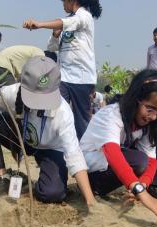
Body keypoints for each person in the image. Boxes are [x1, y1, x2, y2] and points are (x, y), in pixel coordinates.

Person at [0, 56, 96, 206]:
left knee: (53, 193)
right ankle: (4, 178)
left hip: (51, 150)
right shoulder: (11, 93)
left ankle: (29, 184)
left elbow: (75, 157)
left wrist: (90, 200)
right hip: (21, 137)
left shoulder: (63, 113)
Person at [80, 69, 157, 224]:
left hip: (110, 167)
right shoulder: (111, 115)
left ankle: (154, 187)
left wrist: (143, 186)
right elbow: (113, 154)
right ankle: (95, 189)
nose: (152, 117)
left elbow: (152, 161)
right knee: (138, 160)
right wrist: (141, 192)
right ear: (135, 99)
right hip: (90, 171)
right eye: (149, 109)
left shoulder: (146, 123)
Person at [23, 0, 103, 139]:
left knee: (81, 122)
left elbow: (70, 22)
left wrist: (40, 24)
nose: (62, 4)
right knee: (57, 114)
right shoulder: (65, 21)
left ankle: (84, 153)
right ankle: (58, 150)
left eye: (63, 1)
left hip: (82, 78)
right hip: (64, 77)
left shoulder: (84, 16)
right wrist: (55, 34)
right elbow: (52, 47)